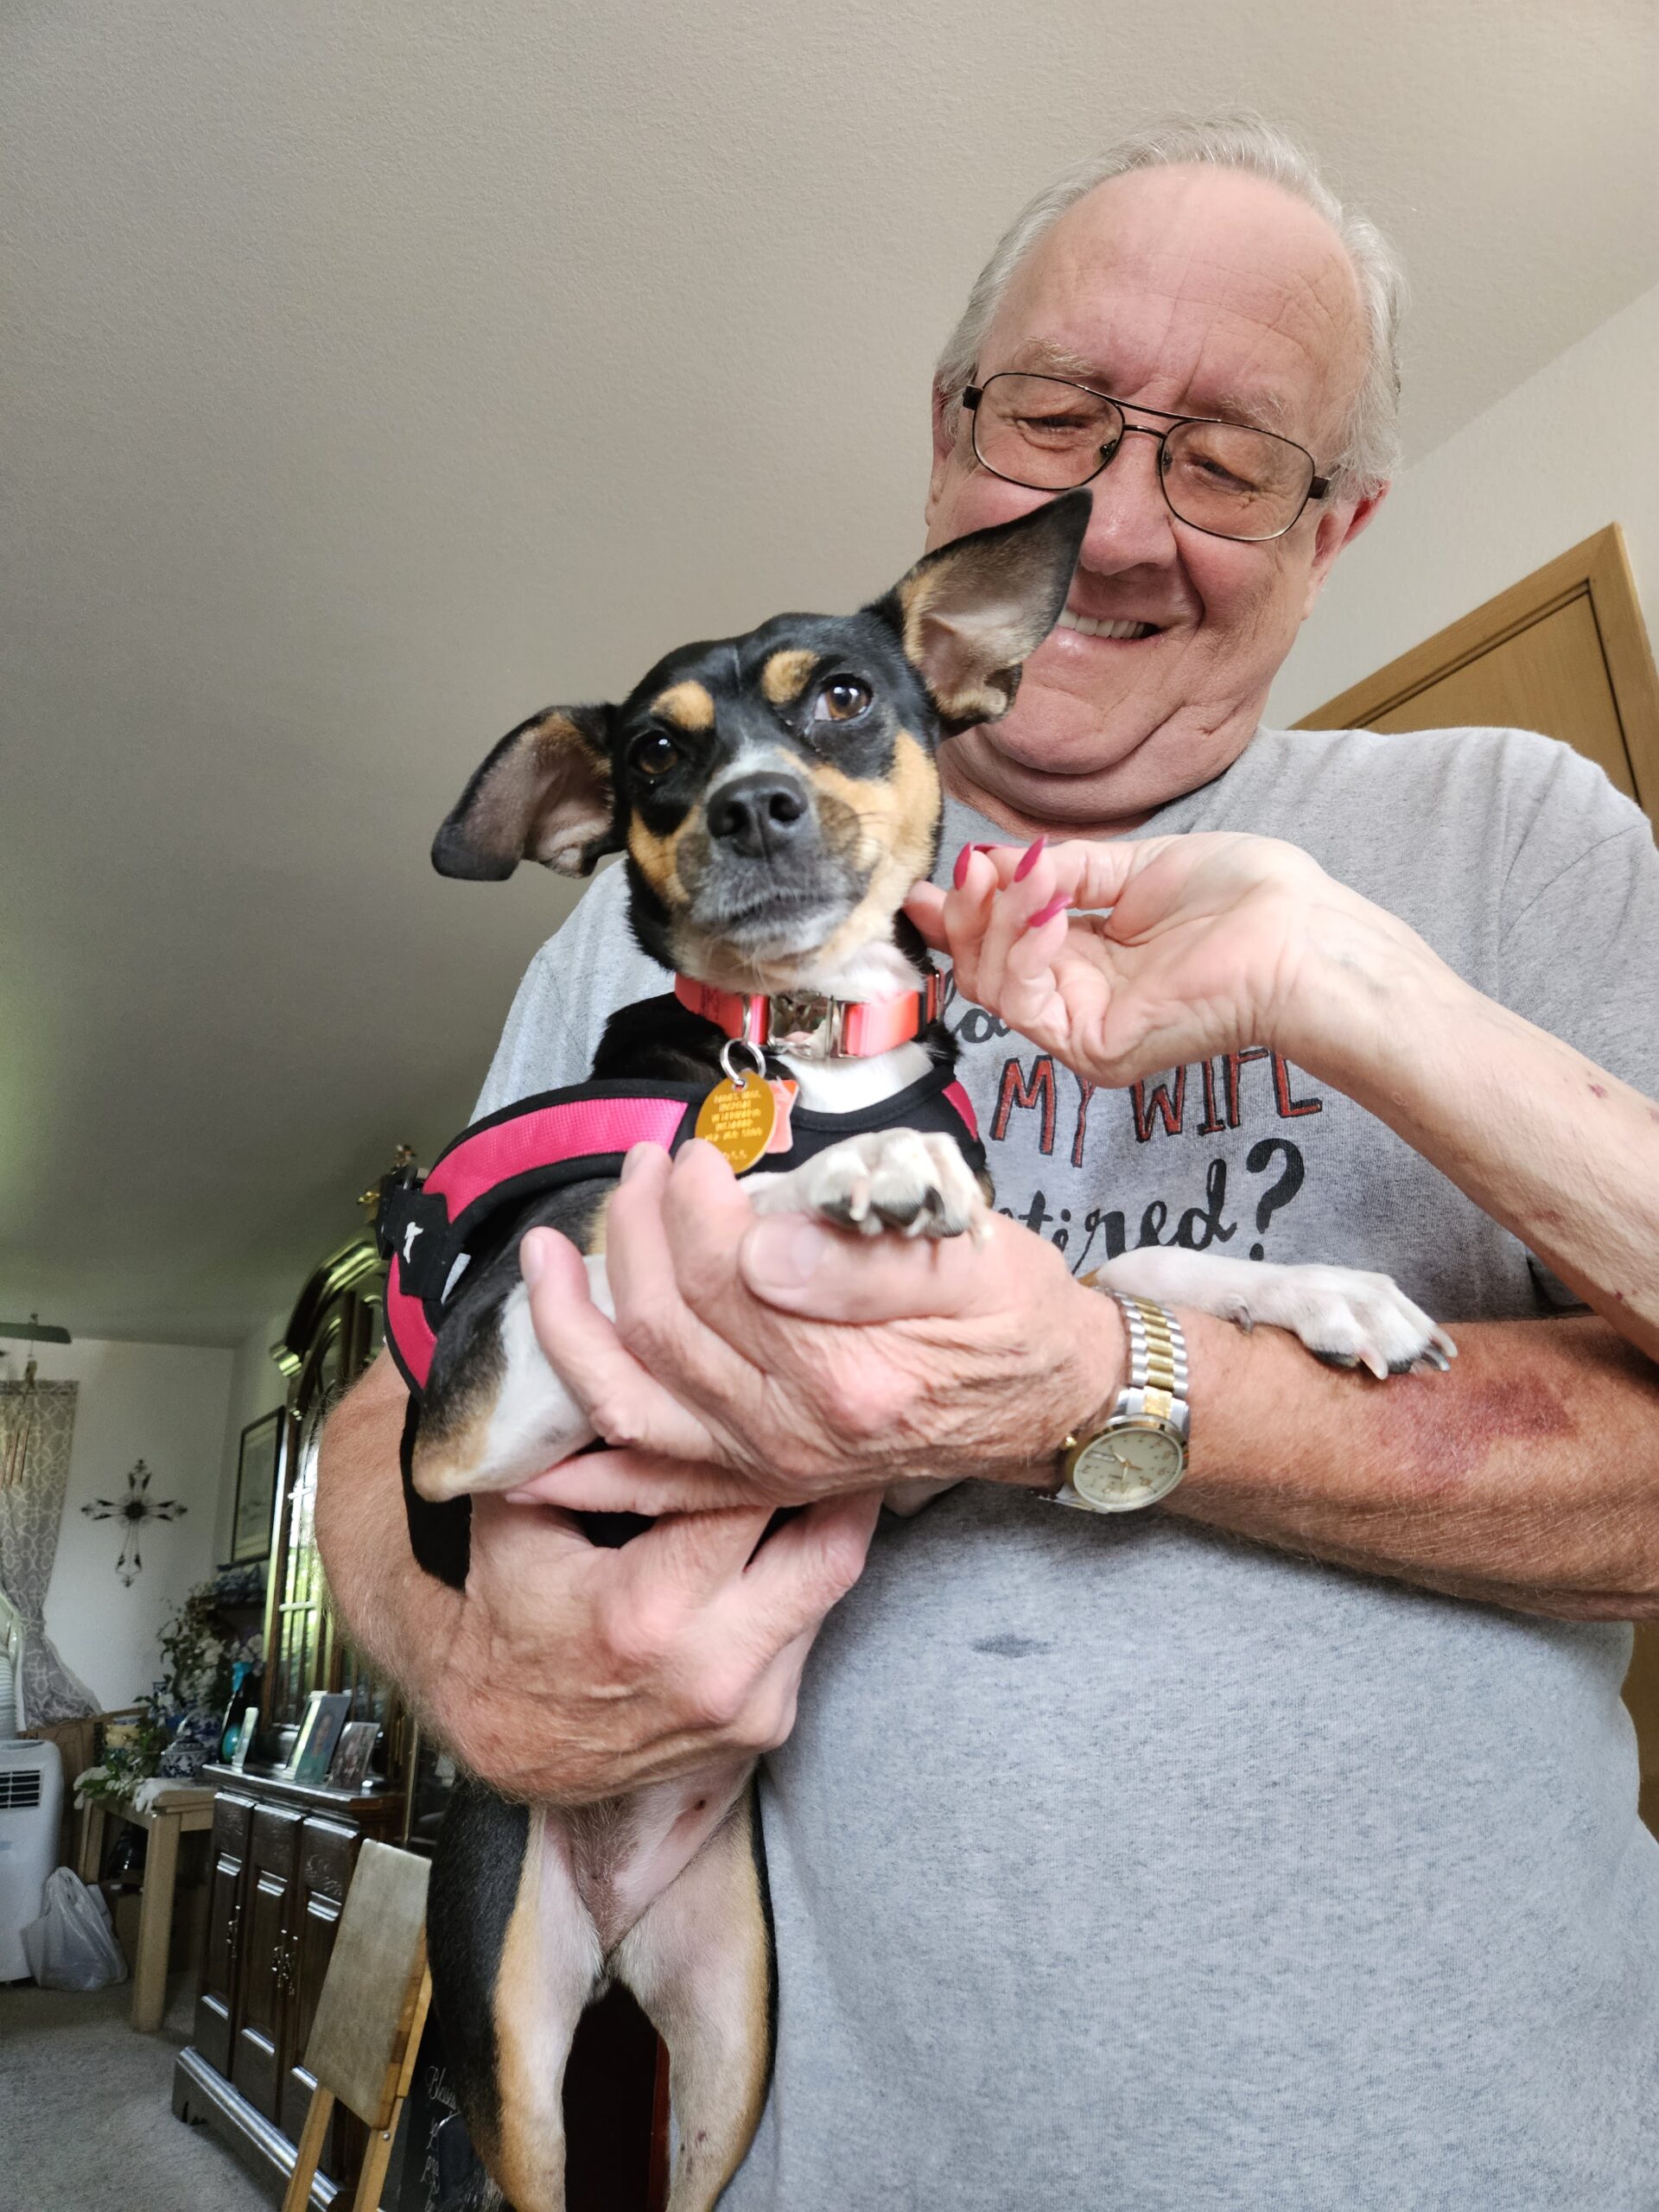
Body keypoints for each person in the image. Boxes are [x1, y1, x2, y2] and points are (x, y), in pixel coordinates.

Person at [319, 117, 1659, 2206]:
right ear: (950, 436)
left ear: (1341, 522)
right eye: (1053, 414)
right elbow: (400, 1408)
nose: (1117, 518)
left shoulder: (1520, 829)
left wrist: (1338, 1007)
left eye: (1223, 458)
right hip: (816, 2143)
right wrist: (474, 1655)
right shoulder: (637, 945)